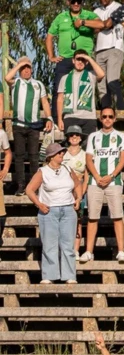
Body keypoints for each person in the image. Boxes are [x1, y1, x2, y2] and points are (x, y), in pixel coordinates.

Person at [26, 142, 84, 285]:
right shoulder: (42, 172)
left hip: (68, 210)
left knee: (68, 244)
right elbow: (29, 190)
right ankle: (49, 275)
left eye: (62, 152)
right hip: (49, 211)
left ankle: (69, 275)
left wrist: (79, 198)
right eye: (59, 153)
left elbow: (77, 184)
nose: (62, 155)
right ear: (51, 156)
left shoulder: (67, 168)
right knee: (49, 244)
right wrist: (39, 204)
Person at [78, 106, 124, 265]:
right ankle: (88, 251)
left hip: (114, 181)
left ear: (114, 118)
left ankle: (121, 250)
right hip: (95, 181)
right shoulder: (93, 136)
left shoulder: (121, 136)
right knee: (92, 217)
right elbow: (88, 159)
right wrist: (98, 176)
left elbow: (123, 160)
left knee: (117, 216)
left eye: (110, 116)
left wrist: (111, 175)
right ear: (100, 118)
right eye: (104, 116)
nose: (107, 119)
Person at [6, 56, 52, 194]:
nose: (26, 70)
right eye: (23, 68)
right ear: (19, 69)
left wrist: (49, 118)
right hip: (18, 124)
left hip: (33, 125)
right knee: (19, 155)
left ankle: (34, 185)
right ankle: (20, 185)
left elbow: (44, 102)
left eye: (28, 67)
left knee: (33, 155)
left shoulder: (38, 84)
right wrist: (20, 64)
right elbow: (7, 78)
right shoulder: (16, 82)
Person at [55, 48, 102, 143]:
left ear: (87, 62)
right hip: (70, 117)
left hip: (88, 118)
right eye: (78, 59)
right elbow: (60, 99)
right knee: (71, 146)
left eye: (83, 60)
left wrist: (89, 58)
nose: (80, 62)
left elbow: (101, 74)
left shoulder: (91, 75)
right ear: (73, 60)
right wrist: (59, 119)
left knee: (88, 146)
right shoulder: (65, 78)